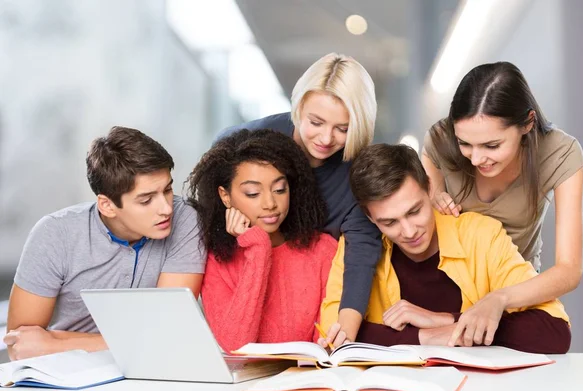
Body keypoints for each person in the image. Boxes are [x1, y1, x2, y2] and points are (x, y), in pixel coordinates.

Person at [319, 144, 571, 354]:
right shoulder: (357, 247)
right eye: (389, 222)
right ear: (370, 218)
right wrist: (427, 337)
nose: (408, 232)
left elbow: (554, 331)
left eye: (414, 211)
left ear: (429, 188)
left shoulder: (481, 235)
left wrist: (448, 321)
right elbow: (336, 334)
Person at [216, 53, 380, 343]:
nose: (326, 138)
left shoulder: (356, 174)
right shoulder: (253, 138)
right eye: (315, 122)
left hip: (310, 300)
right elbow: (214, 171)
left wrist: (346, 324)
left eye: (343, 129)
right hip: (246, 283)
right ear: (299, 106)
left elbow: (362, 251)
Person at [4, 126, 206, 361]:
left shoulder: (185, 219)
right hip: (67, 373)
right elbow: (20, 345)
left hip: (151, 369)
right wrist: (136, 344)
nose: (166, 208)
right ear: (107, 206)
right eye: (146, 200)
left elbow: (166, 332)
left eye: (168, 189)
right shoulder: (54, 234)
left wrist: (55, 343)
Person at [421, 61, 583, 346]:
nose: (475, 159)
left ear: (528, 123)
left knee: (549, 337)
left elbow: (569, 269)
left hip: (513, 294)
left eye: (491, 146)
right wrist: (433, 194)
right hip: (446, 289)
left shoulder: (560, 153)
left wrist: (499, 299)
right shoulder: (440, 140)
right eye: (465, 144)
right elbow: (422, 199)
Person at [187, 129, 338, 353]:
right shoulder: (216, 260)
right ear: (225, 196)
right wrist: (258, 248)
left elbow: (324, 348)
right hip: (242, 386)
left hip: (308, 382)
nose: (270, 203)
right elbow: (235, 345)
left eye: (279, 189)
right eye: (252, 193)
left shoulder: (323, 250)